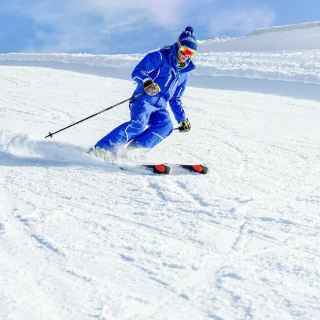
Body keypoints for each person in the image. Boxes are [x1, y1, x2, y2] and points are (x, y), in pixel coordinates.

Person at [90, 26, 197, 157]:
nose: (187, 55)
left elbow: (175, 98)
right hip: (144, 99)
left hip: (160, 105)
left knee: (166, 126)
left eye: (191, 53)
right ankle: (102, 148)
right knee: (138, 125)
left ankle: (133, 151)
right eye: (185, 50)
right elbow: (138, 71)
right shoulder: (160, 57)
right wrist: (147, 82)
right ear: (178, 45)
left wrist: (182, 120)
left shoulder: (184, 74)